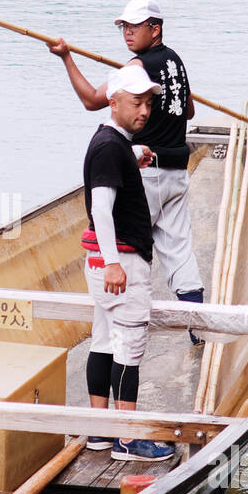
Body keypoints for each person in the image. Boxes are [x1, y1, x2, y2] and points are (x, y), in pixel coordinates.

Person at [50, 0, 205, 342]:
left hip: (146, 171)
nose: (128, 34)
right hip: (177, 173)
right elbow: (190, 112)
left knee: (127, 249)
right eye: (124, 27)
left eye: (135, 27)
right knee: (179, 251)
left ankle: (120, 331)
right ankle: (199, 329)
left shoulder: (137, 68)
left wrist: (66, 57)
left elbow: (93, 99)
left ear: (156, 29)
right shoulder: (176, 63)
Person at [82, 63, 175, 462]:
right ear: (114, 101)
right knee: (129, 346)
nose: (144, 111)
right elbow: (102, 208)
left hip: (102, 262)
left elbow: (112, 165)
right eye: (136, 102)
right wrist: (113, 263)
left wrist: (131, 154)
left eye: (148, 104)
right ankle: (126, 439)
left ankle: (100, 433)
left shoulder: (112, 143)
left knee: (104, 341)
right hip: (120, 263)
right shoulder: (108, 149)